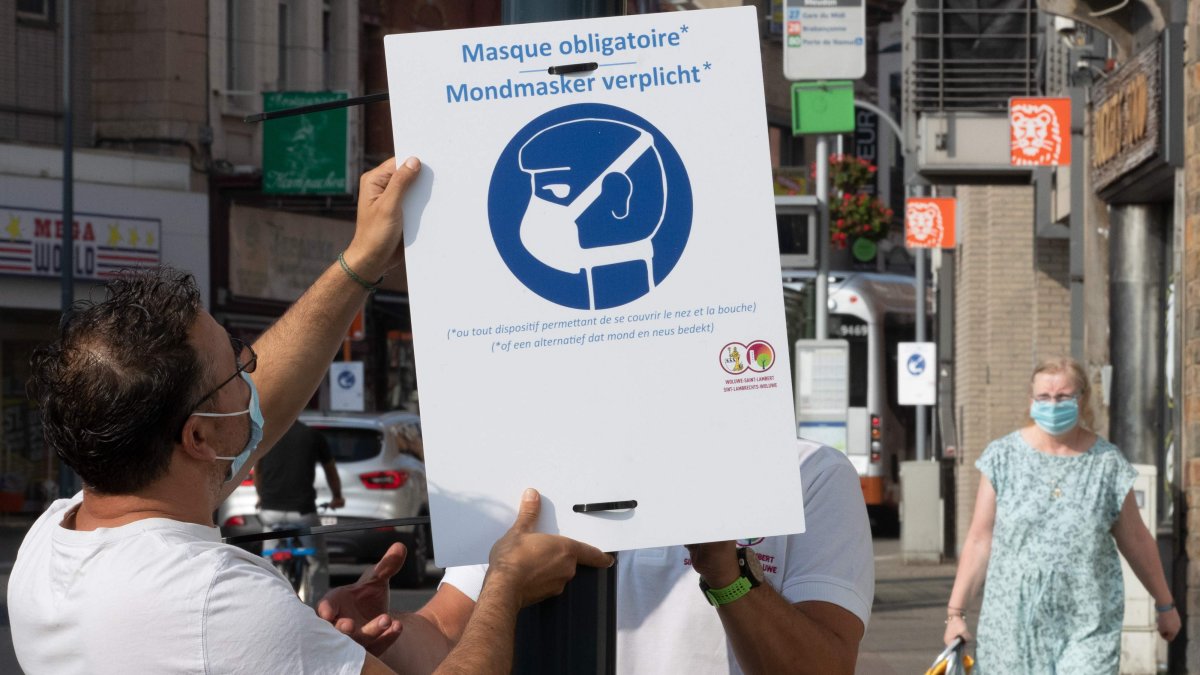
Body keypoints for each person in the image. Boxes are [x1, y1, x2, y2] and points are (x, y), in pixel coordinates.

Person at [9, 156, 612, 674]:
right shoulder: (213, 597)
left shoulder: (53, 544)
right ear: (196, 437)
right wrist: (505, 586)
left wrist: (360, 263)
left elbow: (256, 405)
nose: (251, 373)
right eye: (236, 367)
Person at [319, 438, 875, 675]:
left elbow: (824, 668)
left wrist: (727, 575)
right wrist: (385, 634)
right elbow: (445, 633)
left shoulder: (806, 474)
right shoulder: (527, 475)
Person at [943, 356, 1181, 673]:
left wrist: (1165, 604)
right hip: (1013, 626)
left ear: (1082, 401)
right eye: (1044, 397)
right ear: (1031, 401)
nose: (1053, 405)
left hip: (1088, 623)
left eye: (1064, 397)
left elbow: (1136, 539)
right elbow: (979, 540)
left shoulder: (1106, 464)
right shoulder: (1003, 458)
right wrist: (955, 613)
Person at [255, 419, 344, 606]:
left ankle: (267, 603)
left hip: (270, 511)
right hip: (303, 513)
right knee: (318, 561)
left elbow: (258, 472)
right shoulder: (312, 436)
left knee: (267, 562)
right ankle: (319, 609)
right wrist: (337, 497)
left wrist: (261, 497)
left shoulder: (267, 436)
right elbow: (331, 471)